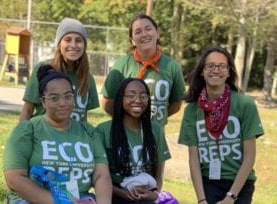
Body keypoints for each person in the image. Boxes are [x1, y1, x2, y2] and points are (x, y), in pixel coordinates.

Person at [4, 64, 112, 204]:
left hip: (80, 199)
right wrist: (61, 202)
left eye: (68, 96)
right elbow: (14, 179)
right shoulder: (28, 130)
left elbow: (101, 175)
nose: (63, 103)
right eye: (54, 98)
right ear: (43, 101)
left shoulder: (89, 132)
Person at [178, 45, 264, 204]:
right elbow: (194, 160)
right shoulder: (191, 110)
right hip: (208, 182)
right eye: (210, 66)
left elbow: (250, 156)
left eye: (221, 66)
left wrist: (231, 197)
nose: (215, 70)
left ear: (229, 71)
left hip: (239, 183)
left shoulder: (245, 104)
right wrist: (201, 200)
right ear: (202, 72)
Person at [95, 78, 171, 204]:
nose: (138, 100)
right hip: (115, 196)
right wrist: (124, 194)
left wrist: (154, 193)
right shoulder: (103, 131)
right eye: (131, 95)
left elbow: (159, 175)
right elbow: (99, 177)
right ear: (120, 98)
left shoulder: (155, 129)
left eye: (143, 96)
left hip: (146, 196)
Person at [101, 13, 185, 127]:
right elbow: (107, 102)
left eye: (148, 29)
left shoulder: (172, 66)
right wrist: (126, 122)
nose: (144, 34)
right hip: (127, 135)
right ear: (132, 40)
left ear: (157, 33)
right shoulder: (121, 65)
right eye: (138, 32)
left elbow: (176, 103)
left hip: (156, 137)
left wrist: (156, 121)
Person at [20, 17, 99, 122]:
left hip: (72, 137)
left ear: (84, 46)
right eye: (67, 40)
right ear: (59, 44)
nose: (73, 45)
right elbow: (28, 109)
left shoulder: (87, 78)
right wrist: (21, 136)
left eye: (79, 40)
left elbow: (83, 117)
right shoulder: (44, 70)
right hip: (43, 135)